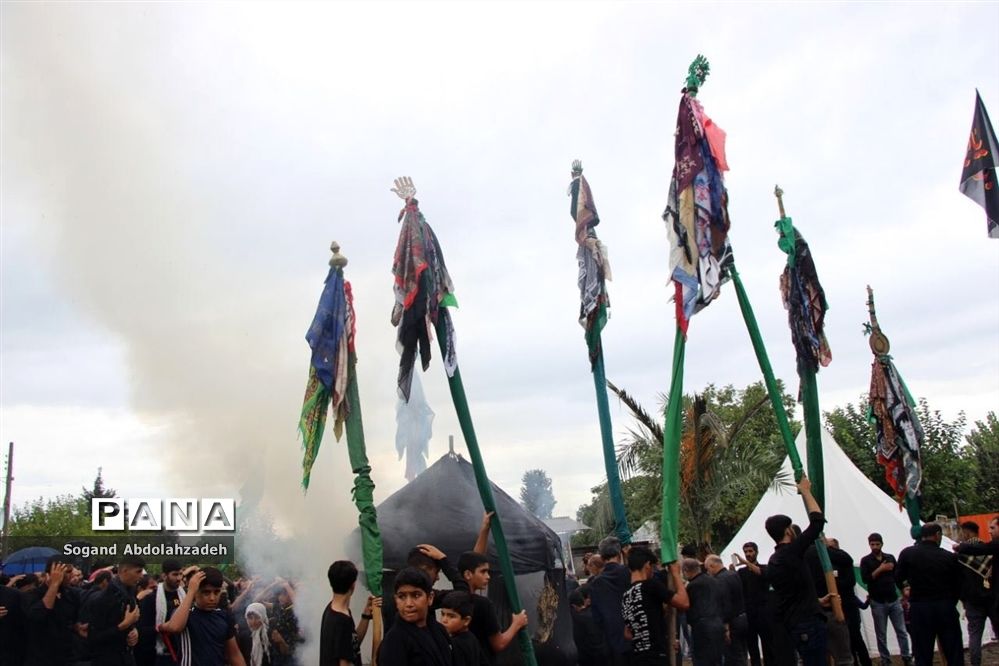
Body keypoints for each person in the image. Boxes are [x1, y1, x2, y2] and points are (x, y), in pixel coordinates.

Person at [764, 476, 827, 666]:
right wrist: (806, 491)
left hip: (795, 623)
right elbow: (817, 523)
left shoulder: (773, 560)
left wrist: (815, 601)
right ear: (788, 531)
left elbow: (793, 592)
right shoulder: (790, 553)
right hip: (808, 623)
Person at [895, 522, 963, 666]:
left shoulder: (908, 554)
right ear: (937, 535)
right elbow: (959, 584)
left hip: (920, 607)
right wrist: (951, 601)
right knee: (953, 651)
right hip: (945, 606)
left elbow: (898, 577)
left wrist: (905, 590)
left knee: (922, 653)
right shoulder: (949, 557)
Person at [159, 568, 247, 666]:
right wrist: (191, 591)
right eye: (206, 592)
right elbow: (175, 627)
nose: (212, 598)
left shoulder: (224, 616)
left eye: (216, 592)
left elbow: (234, 654)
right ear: (196, 592)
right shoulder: (185, 613)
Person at [454, 551, 527, 662]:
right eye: (483, 572)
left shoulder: (453, 599)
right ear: (468, 574)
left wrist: (484, 533)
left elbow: (474, 557)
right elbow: (499, 644)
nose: (488, 577)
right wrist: (517, 623)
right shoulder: (483, 604)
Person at [621, 547, 689, 666]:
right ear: (647, 565)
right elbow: (684, 603)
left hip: (638, 657)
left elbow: (628, 633)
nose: (653, 572)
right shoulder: (650, 586)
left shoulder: (626, 595)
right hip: (656, 657)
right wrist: (676, 575)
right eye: (652, 568)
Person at [377, 567, 452, 666]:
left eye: (416, 595)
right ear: (396, 600)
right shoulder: (394, 642)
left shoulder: (439, 630)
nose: (408, 603)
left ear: (430, 598)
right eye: (402, 596)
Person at [859, 532, 912, 666]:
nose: (875, 547)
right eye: (872, 544)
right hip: (878, 600)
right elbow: (866, 579)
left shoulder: (890, 558)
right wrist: (881, 569)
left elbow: (897, 576)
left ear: (882, 544)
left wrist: (903, 590)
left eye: (877, 544)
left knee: (901, 630)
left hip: (893, 599)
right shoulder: (866, 560)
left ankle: (906, 656)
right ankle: (885, 659)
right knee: (881, 633)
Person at [23, 555, 83, 666]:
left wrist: (77, 627)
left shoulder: (71, 594)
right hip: (41, 657)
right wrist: (54, 584)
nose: (71, 575)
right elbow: (38, 615)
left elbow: (71, 619)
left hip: (66, 656)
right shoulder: (32, 595)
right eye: (67, 571)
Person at [87, 554, 145, 666]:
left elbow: (133, 621)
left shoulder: (130, 593)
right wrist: (123, 626)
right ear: (125, 570)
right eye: (138, 572)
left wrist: (134, 631)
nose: (141, 576)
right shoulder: (103, 598)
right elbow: (93, 638)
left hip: (126, 657)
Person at [955, 516, 999, 666]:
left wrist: (963, 598)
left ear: (967, 534)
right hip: (993, 599)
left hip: (972, 601)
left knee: (975, 636)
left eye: (993, 528)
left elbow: (957, 580)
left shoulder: (961, 555)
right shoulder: (989, 550)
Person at [320, 560, 379, 666]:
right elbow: (345, 663)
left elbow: (352, 646)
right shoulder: (342, 621)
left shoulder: (332, 610)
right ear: (353, 585)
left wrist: (365, 616)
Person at [587, 536, 631, 666]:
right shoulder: (629, 574)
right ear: (619, 553)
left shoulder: (596, 583)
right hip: (635, 640)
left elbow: (597, 618)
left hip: (610, 644)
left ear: (601, 556)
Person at [136, 559, 187, 666]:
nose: (179, 578)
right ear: (164, 576)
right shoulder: (151, 599)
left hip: (182, 652)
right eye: (175, 574)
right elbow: (142, 630)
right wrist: (161, 628)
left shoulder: (185, 596)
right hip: (159, 654)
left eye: (181, 574)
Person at [733, 542, 775, 666]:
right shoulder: (742, 572)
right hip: (749, 613)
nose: (748, 554)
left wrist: (746, 563)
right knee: (752, 647)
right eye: (746, 552)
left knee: (768, 645)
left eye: (750, 551)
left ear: (756, 552)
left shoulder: (764, 568)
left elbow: (762, 574)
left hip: (763, 612)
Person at [704, 554, 747, 666]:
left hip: (732, 622)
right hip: (742, 617)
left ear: (712, 566)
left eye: (708, 568)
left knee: (733, 656)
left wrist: (725, 626)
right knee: (742, 653)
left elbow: (725, 603)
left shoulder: (719, 580)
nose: (708, 572)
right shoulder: (733, 574)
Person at [682, 557, 725, 666]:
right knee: (717, 659)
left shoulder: (693, 585)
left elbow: (688, 607)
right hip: (718, 624)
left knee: (702, 660)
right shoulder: (714, 581)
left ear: (686, 570)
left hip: (702, 628)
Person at [438, 591, 489, 666]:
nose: (444, 620)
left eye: (451, 616)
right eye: (443, 614)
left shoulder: (455, 644)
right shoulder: (472, 638)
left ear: (466, 620)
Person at [567, 586, 607, 666]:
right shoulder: (593, 613)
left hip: (587, 658)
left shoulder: (576, 619)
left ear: (573, 606)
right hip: (602, 654)